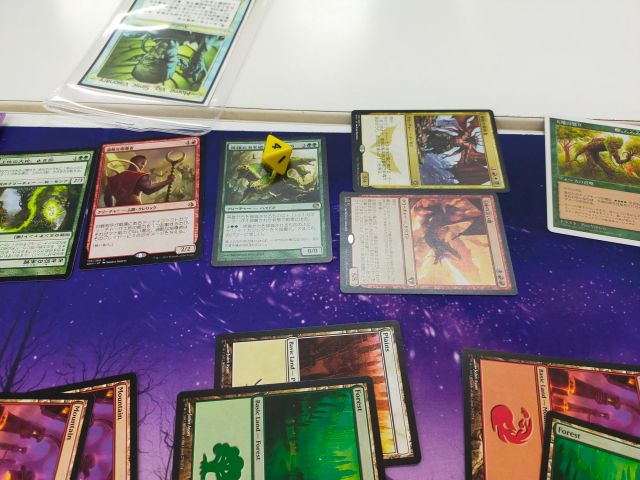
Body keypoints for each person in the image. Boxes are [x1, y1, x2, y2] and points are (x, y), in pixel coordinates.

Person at [103, 155, 174, 207]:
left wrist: (111, 209)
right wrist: (166, 182)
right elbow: (148, 188)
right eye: (142, 163)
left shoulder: (113, 178)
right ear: (133, 162)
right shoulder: (140, 175)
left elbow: (107, 197)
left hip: (118, 207)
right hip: (134, 205)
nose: (143, 166)